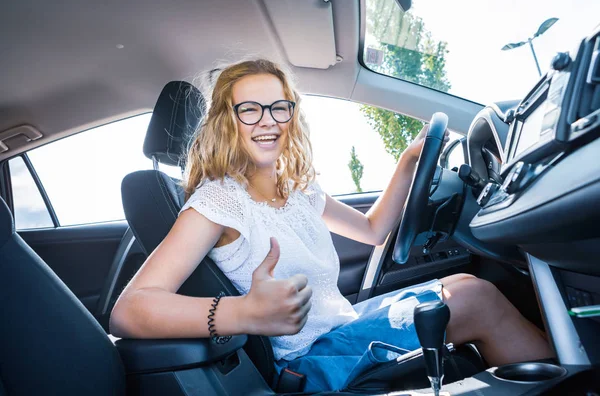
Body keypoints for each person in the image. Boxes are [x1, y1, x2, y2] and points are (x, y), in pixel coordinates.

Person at [110, 59, 553, 392]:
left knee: (462, 281)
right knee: (475, 297)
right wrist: (243, 313)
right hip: (307, 361)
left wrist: (407, 163)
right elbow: (129, 311)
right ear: (227, 122)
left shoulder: (298, 189)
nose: (267, 120)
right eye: (249, 110)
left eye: (278, 108)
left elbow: (374, 231)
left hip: (342, 326)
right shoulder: (219, 201)